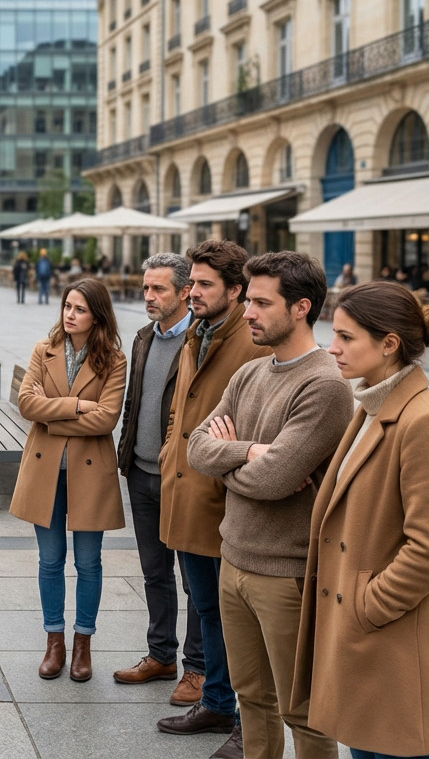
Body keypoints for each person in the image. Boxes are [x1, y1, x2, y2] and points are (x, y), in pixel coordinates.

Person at [187, 252, 352, 759]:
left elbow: (276, 479)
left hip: (288, 573)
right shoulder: (250, 373)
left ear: (301, 307)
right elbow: (196, 447)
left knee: (303, 712)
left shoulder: (324, 384)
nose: (249, 312)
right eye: (249, 300)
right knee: (252, 700)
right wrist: (252, 453)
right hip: (233, 559)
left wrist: (237, 460)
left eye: (261, 302)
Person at [292, 282, 429, 759]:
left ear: (388, 344)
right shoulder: (373, 404)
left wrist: (368, 605)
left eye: (346, 337)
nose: (333, 347)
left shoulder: (423, 421)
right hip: (363, 639)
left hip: (391, 642)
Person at [156, 240, 270, 759]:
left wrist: (225, 457)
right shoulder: (195, 334)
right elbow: (183, 410)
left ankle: (250, 723)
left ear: (236, 290)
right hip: (185, 490)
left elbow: (259, 431)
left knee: (239, 620)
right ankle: (217, 701)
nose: (193, 292)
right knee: (206, 608)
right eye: (192, 283)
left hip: (227, 502)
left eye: (204, 285)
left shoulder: (252, 343)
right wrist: (168, 451)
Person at [10, 277, 127, 684]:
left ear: (97, 314)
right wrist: (77, 405)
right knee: (50, 561)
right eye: (67, 306)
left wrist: (52, 415)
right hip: (45, 472)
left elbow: (107, 418)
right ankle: (54, 641)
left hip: (89, 474)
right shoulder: (44, 350)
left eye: (79, 308)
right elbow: (26, 403)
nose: (70, 314)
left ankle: (83, 644)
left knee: (89, 562)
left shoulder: (114, 359)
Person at [112, 253, 205, 707]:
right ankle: (160, 655)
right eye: (147, 288)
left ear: (186, 292)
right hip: (141, 473)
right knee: (154, 572)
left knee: (193, 579)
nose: (148, 296)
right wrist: (126, 452)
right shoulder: (143, 337)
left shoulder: (199, 341)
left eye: (159, 289)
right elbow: (136, 400)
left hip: (181, 478)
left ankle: (197, 669)